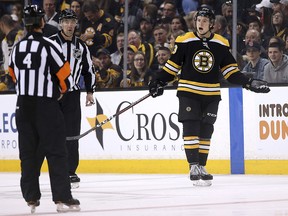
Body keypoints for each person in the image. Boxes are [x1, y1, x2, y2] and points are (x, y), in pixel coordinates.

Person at [148, 7, 270, 187]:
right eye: (198, 20)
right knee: (191, 126)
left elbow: (230, 72)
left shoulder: (221, 43)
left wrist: (248, 83)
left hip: (211, 94)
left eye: (205, 21)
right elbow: (172, 67)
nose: (201, 23)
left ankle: (202, 166)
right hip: (189, 92)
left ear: (212, 24)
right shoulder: (185, 40)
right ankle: (193, 166)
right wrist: (157, 81)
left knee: (206, 130)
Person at [8, 5, 80, 212]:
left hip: (23, 105)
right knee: (57, 151)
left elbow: (12, 75)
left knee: (28, 154)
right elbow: (65, 77)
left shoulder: (18, 47)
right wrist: (60, 91)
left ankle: (31, 199)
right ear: (41, 22)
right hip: (45, 106)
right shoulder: (50, 46)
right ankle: (61, 198)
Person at [49, 9, 96, 188]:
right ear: (60, 24)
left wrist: (90, 92)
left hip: (73, 95)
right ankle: (56, 169)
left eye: (72, 22)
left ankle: (70, 171)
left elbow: (89, 70)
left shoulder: (81, 46)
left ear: (76, 24)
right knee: (53, 133)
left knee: (72, 134)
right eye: (66, 21)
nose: (69, 25)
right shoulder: (51, 43)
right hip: (53, 95)